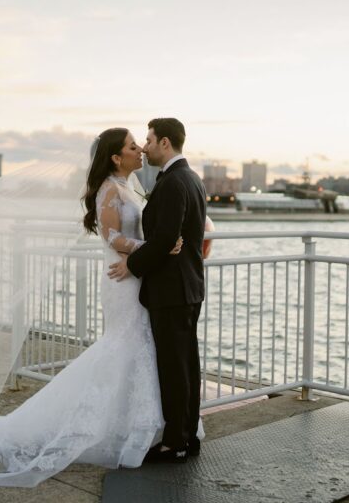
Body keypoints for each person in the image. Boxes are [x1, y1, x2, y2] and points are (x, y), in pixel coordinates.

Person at [0, 128, 184, 487]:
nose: (140, 151)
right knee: (123, 346)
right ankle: (116, 427)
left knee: (136, 349)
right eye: (132, 146)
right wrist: (149, 248)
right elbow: (110, 236)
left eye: (141, 145)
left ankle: (132, 425)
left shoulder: (131, 187)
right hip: (122, 280)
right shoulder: (109, 189)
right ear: (115, 157)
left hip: (134, 278)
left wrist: (158, 244)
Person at [108, 118, 207, 463]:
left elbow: (166, 238)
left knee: (174, 368)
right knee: (186, 366)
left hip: (173, 290)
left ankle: (176, 443)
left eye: (148, 140)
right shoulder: (189, 178)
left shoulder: (174, 182)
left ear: (165, 143)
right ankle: (188, 434)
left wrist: (131, 265)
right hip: (187, 287)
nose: (145, 147)